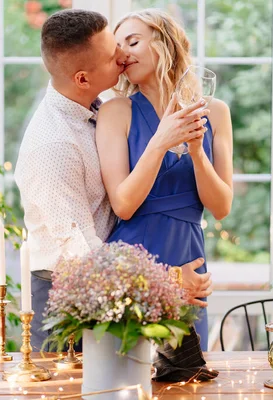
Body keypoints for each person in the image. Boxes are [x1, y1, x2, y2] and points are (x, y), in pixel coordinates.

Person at [14, 9, 213, 352]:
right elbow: (82, 256)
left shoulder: (94, 106)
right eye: (112, 54)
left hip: (110, 285)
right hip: (67, 299)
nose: (123, 56)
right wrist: (168, 279)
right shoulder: (53, 146)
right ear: (81, 79)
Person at [96, 9, 233, 352]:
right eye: (118, 45)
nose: (122, 52)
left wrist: (197, 152)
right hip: (132, 263)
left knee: (184, 376)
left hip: (190, 261)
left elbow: (221, 207)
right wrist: (160, 141)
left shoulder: (216, 112)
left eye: (133, 40)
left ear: (166, 43)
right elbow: (124, 205)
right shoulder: (116, 112)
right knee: (128, 374)